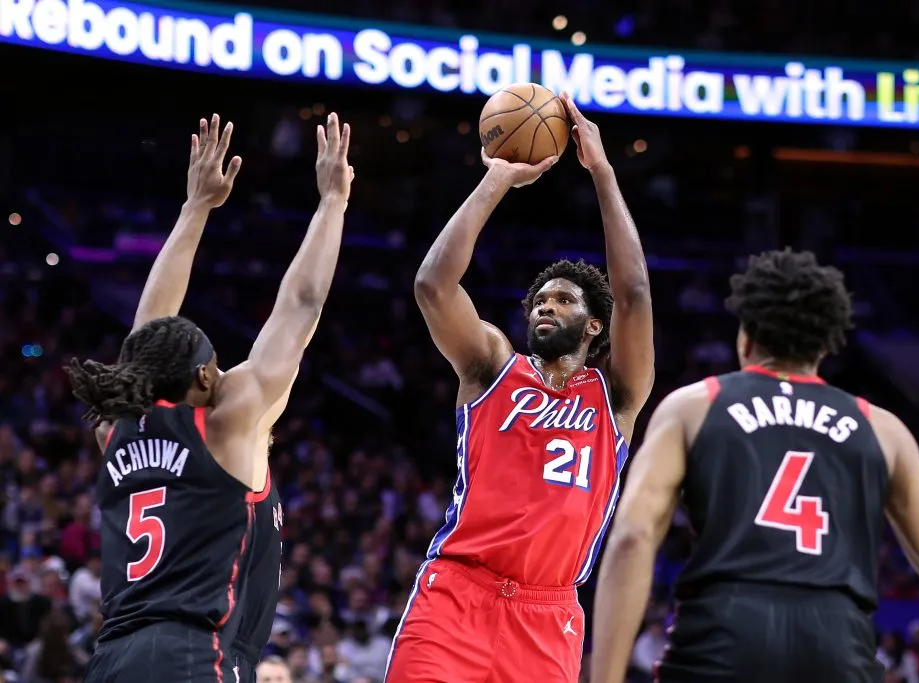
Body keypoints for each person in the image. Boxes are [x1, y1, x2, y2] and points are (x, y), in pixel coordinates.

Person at [591, 249, 919, 683]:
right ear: (825, 346)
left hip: (723, 637)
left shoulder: (695, 406)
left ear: (746, 337)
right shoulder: (883, 430)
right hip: (838, 646)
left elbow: (632, 537)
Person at [67, 112, 355, 683]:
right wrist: (333, 203)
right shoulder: (228, 423)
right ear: (202, 379)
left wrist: (195, 207)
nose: (229, 372)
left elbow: (147, 330)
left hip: (112, 659)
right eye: (219, 366)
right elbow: (300, 304)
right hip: (195, 654)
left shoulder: (117, 427)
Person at [386, 93, 655, 682]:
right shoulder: (491, 367)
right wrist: (500, 179)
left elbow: (633, 292)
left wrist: (603, 172)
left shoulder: (616, 396)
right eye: (539, 300)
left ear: (593, 326)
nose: (545, 307)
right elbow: (433, 284)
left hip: (548, 613)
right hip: (456, 593)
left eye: (563, 299)